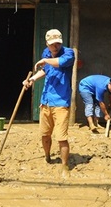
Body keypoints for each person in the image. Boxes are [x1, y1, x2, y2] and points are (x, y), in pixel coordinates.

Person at [22, 29, 75, 175]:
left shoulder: (69, 53)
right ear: (47, 44)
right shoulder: (46, 53)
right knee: (45, 135)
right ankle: (47, 156)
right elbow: (46, 70)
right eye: (52, 44)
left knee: (61, 138)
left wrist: (45, 61)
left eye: (58, 43)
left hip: (61, 102)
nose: (55, 46)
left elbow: (59, 63)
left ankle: (65, 166)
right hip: (46, 100)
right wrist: (32, 79)